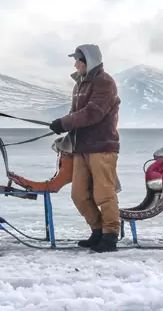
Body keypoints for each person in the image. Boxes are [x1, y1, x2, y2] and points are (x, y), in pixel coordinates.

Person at [48, 44, 122, 253]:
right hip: (81, 148)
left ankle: (110, 235)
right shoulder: (80, 84)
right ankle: (97, 230)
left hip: (102, 147)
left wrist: (64, 122)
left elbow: (93, 113)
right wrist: (64, 129)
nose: (76, 63)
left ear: (89, 60)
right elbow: (78, 115)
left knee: (104, 193)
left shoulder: (104, 82)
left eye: (79, 59)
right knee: (79, 194)